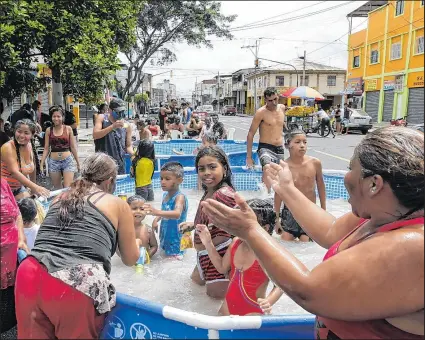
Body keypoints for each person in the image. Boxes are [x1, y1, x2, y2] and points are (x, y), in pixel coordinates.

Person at [200, 126, 424, 339]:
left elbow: (309, 291)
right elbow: (330, 230)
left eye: (350, 169)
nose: (347, 177)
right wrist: (287, 189)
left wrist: (250, 230)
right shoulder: (383, 214)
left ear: (374, 184)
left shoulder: (412, 244)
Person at [15, 153, 141, 339]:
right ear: (110, 181)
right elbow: (130, 259)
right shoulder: (118, 204)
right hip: (73, 283)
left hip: (29, 273)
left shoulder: (60, 198)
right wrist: (136, 242)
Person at [197, 198, 284, 316]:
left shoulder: (267, 253)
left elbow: (281, 285)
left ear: (265, 228)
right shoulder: (236, 243)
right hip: (226, 308)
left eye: (244, 224)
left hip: (252, 312)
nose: (238, 227)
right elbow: (222, 268)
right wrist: (208, 243)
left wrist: (269, 301)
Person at [179, 146, 237, 299]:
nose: (206, 173)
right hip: (206, 255)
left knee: (215, 306)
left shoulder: (223, 194)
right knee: (194, 291)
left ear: (224, 169)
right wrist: (193, 225)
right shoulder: (210, 190)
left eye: (212, 167)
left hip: (219, 255)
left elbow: (234, 228)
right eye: (201, 168)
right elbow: (215, 222)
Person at [276, 129, 326, 241]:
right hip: (290, 212)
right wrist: (277, 218)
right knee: (286, 239)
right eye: (297, 142)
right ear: (288, 145)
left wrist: (323, 210)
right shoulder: (284, 166)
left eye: (305, 142)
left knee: (305, 241)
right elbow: (279, 193)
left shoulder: (315, 163)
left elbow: (321, 186)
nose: (302, 145)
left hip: (309, 211)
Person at [0, 178, 29, 333]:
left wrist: (20, 238)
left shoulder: (3, 183)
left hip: (11, 258)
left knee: (9, 299)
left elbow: (17, 212)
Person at [145, 162, 188, 258]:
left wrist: (156, 212)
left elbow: (177, 214)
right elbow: (164, 210)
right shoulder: (165, 195)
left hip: (176, 239)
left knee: (173, 260)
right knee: (164, 256)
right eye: (161, 178)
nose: (162, 182)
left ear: (179, 180)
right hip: (166, 235)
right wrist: (156, 220)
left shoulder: (179, 197)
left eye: (167, 179)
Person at [1, 119, 49, 199]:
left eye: (26, 133)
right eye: (19, 131)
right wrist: (36, 187)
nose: (22, 136)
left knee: (32, 207)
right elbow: (14, 172)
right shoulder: (7, 147)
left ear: (32, 135)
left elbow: (32, 170)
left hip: (18, 188)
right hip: (3, 190)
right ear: (15, 131)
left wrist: (33, 190)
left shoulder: (30, 146)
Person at [246, 87, 286, 184]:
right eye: (270, 100)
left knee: (279, 174)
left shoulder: (282, 108)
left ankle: (274, 196)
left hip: (279, 147)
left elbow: (281, 125)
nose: (273, 103)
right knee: (267, 168)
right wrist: (249, 157)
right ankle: (266, 196)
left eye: (275, 99)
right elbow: (250, 134)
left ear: (278, 97)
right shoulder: (261, 113)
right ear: (265, 100)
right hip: (265, 147)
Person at [40, 106, 80, 189]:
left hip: (67, 161)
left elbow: (73, 147)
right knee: (57, 189)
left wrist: (78, 163)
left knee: (68, 188)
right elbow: (46, 148)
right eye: (54, 116)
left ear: (62, 117)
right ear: (51, 117)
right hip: (54, 162)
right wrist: (42, 163)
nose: (56, 118)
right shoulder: (48, 130)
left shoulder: (68, 129)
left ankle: (68, 202)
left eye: (58, 116)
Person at [93, 98, 133, 174]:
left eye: (122, 111)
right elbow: (95, 135)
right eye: (118, 111)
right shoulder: (102, 118)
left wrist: (133, 156)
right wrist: (112, 127)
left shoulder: (127, 125)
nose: (120, 114)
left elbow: (128, 146)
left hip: (119, 164)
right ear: (110, 110)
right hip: (102, 163)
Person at [127, 195, 158, 263]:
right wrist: (125, 258)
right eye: (134, 208)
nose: (138, 211)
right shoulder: (123, 230)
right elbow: (117, 248)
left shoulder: (148, 230)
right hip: (128, 263)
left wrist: (147, 256)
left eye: (142, 209)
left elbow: (154, 246)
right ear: (126, 210)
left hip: (144, 262)